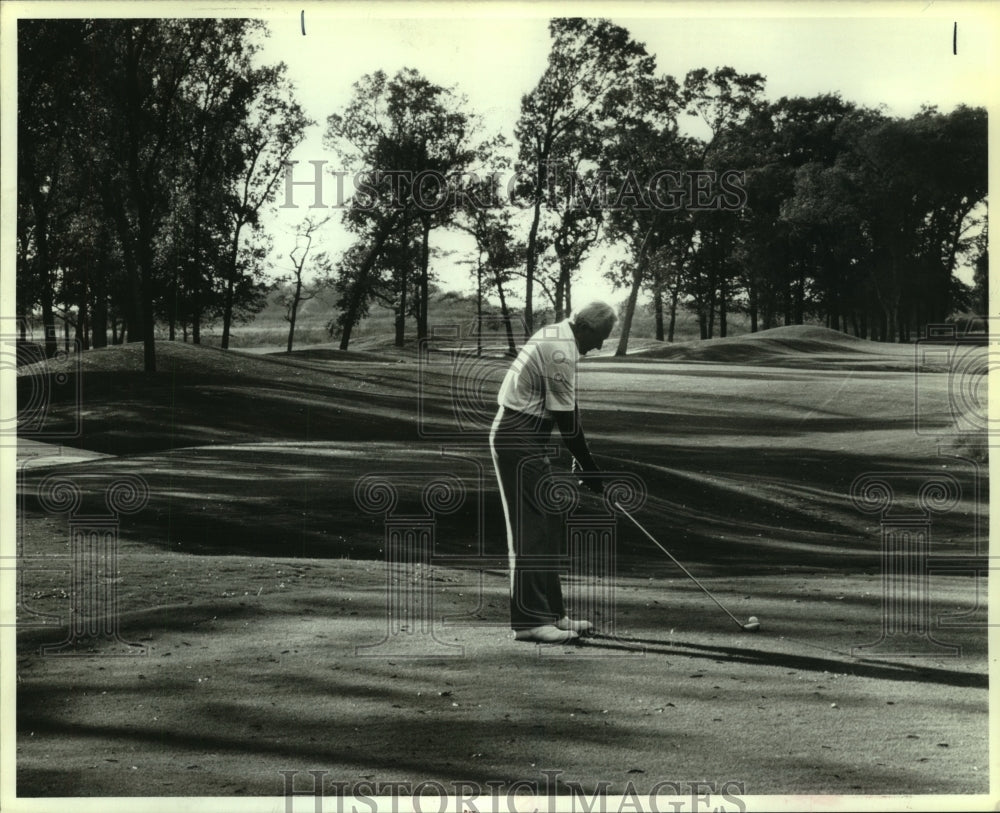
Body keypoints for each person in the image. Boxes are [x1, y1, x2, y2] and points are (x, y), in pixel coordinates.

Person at [488, 302, 617, 643]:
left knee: (545, 521)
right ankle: (530, 622)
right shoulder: (560, 349)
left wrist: (585, 463)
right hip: (518, 435)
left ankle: (554, 615)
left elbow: (568, 410)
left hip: (529, 435)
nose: (601, 346)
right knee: (530, 526)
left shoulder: (560, 338)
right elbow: (568, 422)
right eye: (601, 337)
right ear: (586, 327)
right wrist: (590, 467)